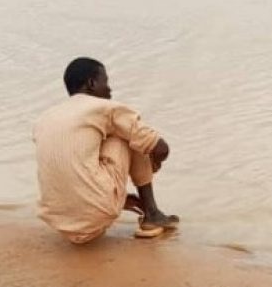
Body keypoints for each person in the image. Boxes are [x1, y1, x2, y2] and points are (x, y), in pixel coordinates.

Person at [32, 58, 179, 243]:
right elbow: (162, 148)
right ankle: (152, 213)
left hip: (60, 220)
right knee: (131, 134)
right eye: (106, 82)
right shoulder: (103, 107)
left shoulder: (45, 118)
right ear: (91, 83)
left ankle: (106, 202)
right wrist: (152, 162)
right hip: (96, 210)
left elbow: (72, 166)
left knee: (86, 146)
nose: (110, 90)